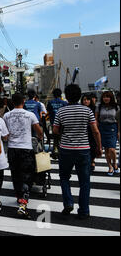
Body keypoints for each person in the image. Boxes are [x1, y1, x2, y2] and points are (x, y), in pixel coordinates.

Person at [53, 84, 102, 219]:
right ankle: (84, 210)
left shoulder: (61, 112)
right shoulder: (87, 111)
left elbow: (55, 131)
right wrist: (99, 147)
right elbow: (95, 131)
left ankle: (68, 202)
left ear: (66, 97)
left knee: (64, 177)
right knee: (84, 181)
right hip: (84, 150)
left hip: (66, 149)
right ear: (79, 96)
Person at [3, 93, 43, 218]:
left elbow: (5, 135)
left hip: (12, 149)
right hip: (26, 148)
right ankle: (23, 204)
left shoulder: (6, 115)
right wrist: (40, 136)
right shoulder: (30, 115)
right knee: (27, 175)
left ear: (12, 102)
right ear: (23, 101)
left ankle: (19, 197)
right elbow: (38, 131)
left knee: (15, 174)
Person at [95, 91, 119, 175]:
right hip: (102, 128)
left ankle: (115, 163)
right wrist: (96, 130)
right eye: (104, 97)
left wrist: (119, 131)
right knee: (106, 149)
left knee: (112, 148)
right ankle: (110, 167)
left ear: (111, 98)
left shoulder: (116, 107)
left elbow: (118, 120)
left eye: (108, 97)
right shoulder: (99, 106)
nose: (106, 98)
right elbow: (96, 119)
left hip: (113, 127)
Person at [81, 94, 98, 172]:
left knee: (93, 146)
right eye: (84, 99)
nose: (86, 101)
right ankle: (88, 161)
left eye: (88, 99)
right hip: (83, 130)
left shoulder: (94, 109)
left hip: (92, 130)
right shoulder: (80, 109)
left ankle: (92, 161)